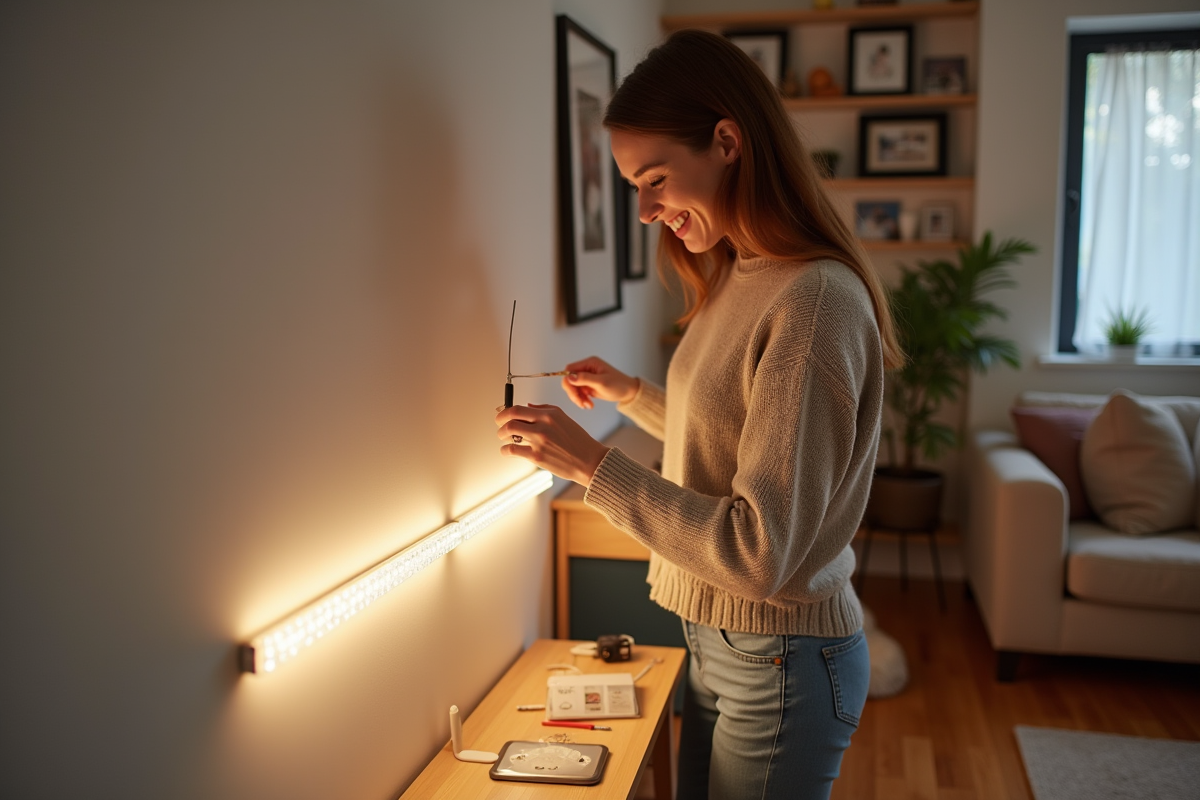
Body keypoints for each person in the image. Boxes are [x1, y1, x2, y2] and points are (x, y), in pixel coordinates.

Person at [495, 29, 903, 800]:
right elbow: (738, 437)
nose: (646, 211)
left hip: (779, 656)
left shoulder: (813, 301)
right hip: (720, 642)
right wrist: (632, 395)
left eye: (656, 180)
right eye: (632, 187)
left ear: (726, 141)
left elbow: (758, 551)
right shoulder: (741, 271)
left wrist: (591, 464)